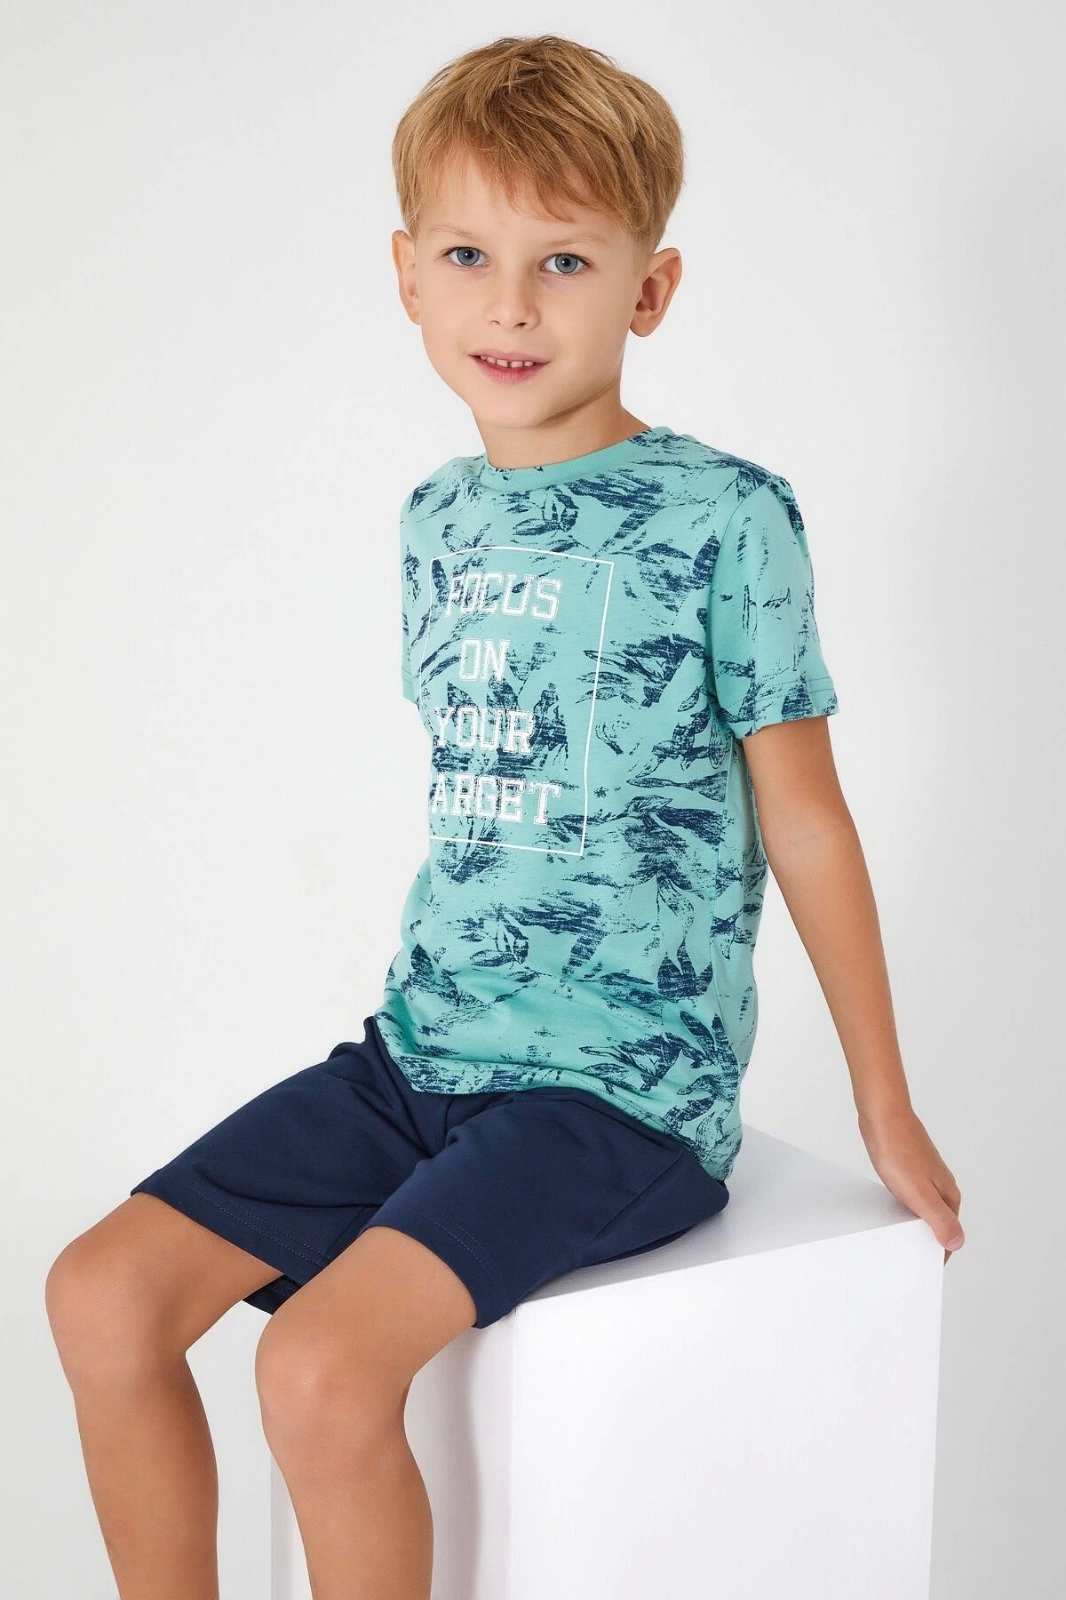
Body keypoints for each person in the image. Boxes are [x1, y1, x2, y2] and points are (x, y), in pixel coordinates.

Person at [44, 32, 964, 1600]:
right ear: (406, 274)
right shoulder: (434, 519)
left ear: (648, 291)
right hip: (420, 1057)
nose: (512, 306)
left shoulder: (726, 516)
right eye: (469, 256)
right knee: (99, 1295)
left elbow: (804, 818)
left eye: (565, 262)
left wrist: (884, 1101)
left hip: (614, 1093)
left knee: (318, 1369)